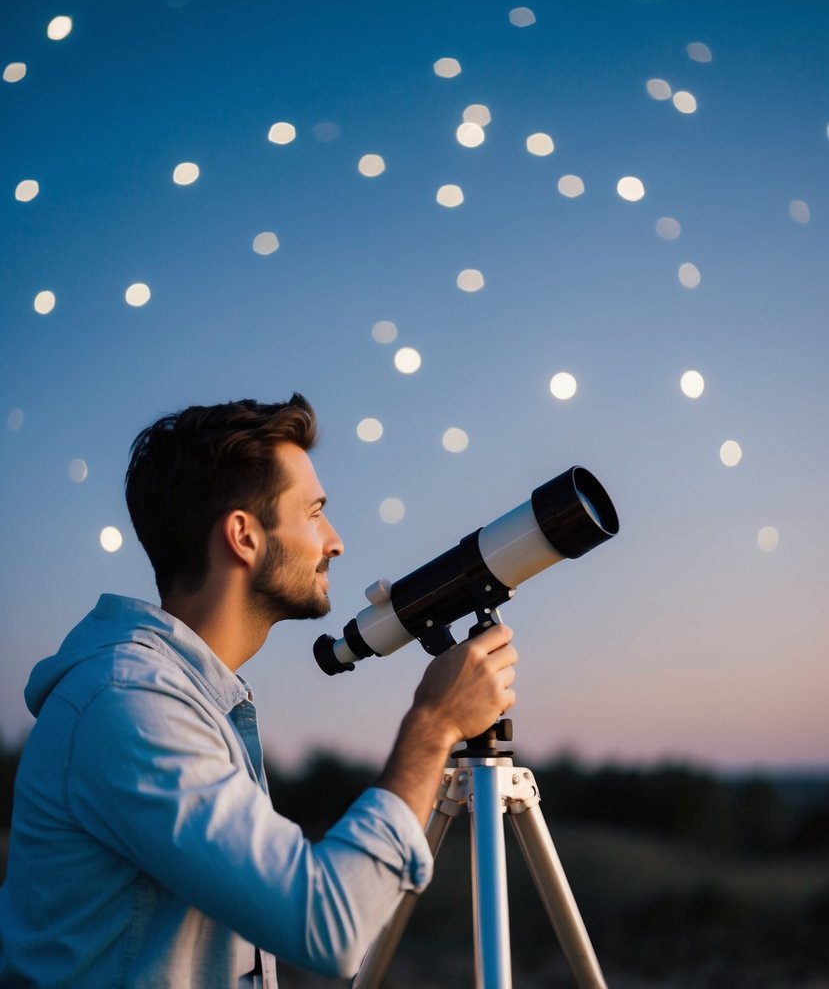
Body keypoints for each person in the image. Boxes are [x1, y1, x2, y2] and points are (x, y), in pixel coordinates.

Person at [0, 395, 517, 987]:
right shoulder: (130, 705)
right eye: (315, 512)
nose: (335, 540)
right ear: (243, 536)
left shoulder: (187, 699)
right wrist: (434, 726)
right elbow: (329, 928)